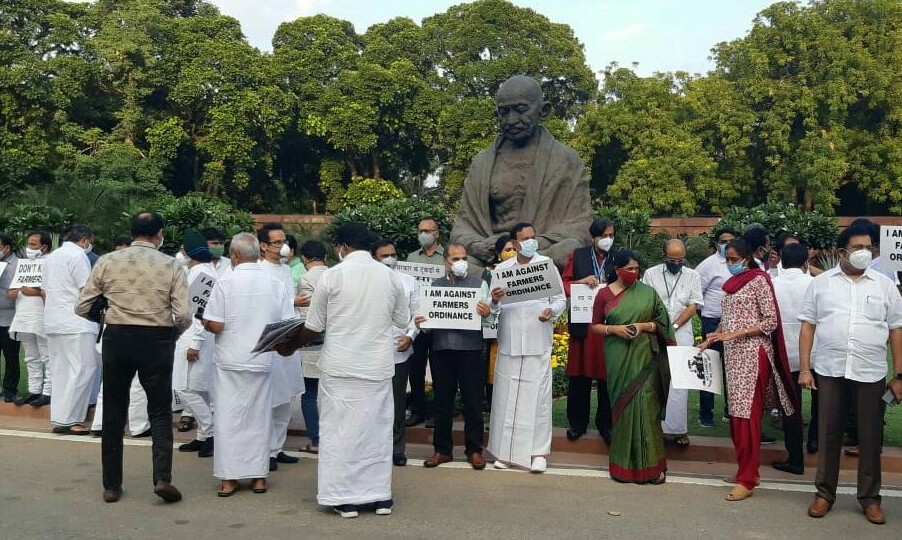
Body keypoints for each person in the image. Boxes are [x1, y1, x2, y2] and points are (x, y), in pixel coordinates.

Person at [276, 222, 410, 518]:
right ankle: (379, 498)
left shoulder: (332, 276)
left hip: (341, 368)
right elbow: (402, 318)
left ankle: (344, 498)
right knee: (375, 433)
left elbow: (313, 326)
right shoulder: (390, 277)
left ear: (343, 247)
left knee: (340, 433)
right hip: (376, 368)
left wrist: (288, 346)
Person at [76, 212, 191, 504]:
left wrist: (105, 314)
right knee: (160, 411)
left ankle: (111, 486)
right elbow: (184, 314)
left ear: (132, 233)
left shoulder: (108, 261)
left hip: (118, 337)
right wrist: (172, 333)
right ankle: (162, 478)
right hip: (157, 339)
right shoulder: (171, 264)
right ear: (159, 234)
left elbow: (81, 306)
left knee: (114, 411)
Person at [798, 221, 902, 525]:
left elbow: (896, 329)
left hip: (870, 373)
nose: (864, 253)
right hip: (830, 370)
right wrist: (805, 368)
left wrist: (899, 375)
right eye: (858, 248)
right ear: (841, 251)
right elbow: (807, 326)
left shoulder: (884, 285)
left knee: (870, 437)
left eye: (869, 247)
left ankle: (870, 498)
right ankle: (824, 494)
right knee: (828, 433)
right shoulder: (821, 284)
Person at [451, 74, 590, 268]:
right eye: (503, 112)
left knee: (569, 249)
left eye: (521, 110)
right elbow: (462, 227)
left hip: (540, 254)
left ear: (544, 110)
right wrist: (479, 245)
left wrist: (528, 245)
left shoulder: (566, 159)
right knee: (462, 264)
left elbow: (580, 226)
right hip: (493, 256)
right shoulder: (482, 162)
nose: (511, 120)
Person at [699, 238, 798, 502]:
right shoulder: (731, 285)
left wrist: (734, 334)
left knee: (747, 416)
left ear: (746, 257)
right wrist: (713, 337)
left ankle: (748, 478)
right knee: (736, 414)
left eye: (733, 260)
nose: (730, 264)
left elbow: (770, 320)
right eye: (727, 260)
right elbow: (726, 319)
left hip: (753, 354)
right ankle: (745, 468)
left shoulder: (759, 280)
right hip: (733, 355)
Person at [202, 232, 295, 497]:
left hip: (230, 359)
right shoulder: (275, 283)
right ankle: (258, 477)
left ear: (234, 255)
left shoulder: (225, 281)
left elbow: (217, 324)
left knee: (229, 419)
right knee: (258, 418)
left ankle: (229, 479)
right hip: (262, 358)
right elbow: (287, 324)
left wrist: (205, 322)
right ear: (258, 251)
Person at [588, 249, 674, 484]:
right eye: (629, 269)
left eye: (637, 269)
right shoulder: (603, 295)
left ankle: (653, 468)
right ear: (617, 270)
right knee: (624, 408)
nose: (634, 273)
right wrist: (613, 329)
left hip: (645, 356)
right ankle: (623, 468)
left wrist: (644, 326)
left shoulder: (647, 293)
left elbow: (663, 324)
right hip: (617, 355)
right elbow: (594, 326)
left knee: (647, 406)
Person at [487, 222, 566, 473]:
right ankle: (504, 452)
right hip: (510, 341)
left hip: (537, 340)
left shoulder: (546, 265)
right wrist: (495, 300)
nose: (532, 241)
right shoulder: (502, 269)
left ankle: (538, 453)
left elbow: (560, 300)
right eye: (526, 238)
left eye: (534, 237)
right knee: (506, 398)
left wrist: (550, 311)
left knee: (539, 399)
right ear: (516, 242)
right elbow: (492, 309)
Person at [416, 244, 492, 470]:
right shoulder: (434, 286)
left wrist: (487, 313)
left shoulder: (479, 285)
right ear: (445, 262)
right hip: (442, 350)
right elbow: (429, 323)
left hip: (471, 350)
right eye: (455, 258)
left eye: (464, 258)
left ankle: (475, 450)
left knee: (473, 402)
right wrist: (422, 323)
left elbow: (489, 320)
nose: (460, 262)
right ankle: (442, 450)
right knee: (442, 403)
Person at [641, 239, 703, 448]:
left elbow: (693, 306)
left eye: (680, 260)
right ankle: (654, 428)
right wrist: (661, 328)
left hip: (681, 334)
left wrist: (673, 327)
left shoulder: (693, 275)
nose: (676, 263)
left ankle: (677, 431)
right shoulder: (651, 274)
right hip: (655, 333)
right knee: (655, 380)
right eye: (671, 259)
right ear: (664, 255)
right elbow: (647, 301)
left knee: (680, 383)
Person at [562, 218, 615, 443]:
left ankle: (606, 424)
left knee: (607, 379)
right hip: (583, 325)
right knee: (579, 378)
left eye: (611, 235)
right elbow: (563, 285)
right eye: (603, 236)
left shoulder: (618, 257)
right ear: (593, 237)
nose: (608, 240)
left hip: (607, 325)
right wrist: (581, 282)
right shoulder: (578, 255)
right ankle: (577, 424)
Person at [257, 222, 304, 471]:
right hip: (271, 339)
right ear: (263, 246)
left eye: (284, 241)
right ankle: (265, 451)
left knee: (286, 397)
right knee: (270, 399)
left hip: (289, 335)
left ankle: (278, 447)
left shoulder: (286, 270)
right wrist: (291, 301)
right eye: (277, 242)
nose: (282, 246)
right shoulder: (258, 270)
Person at [43, 224, 99, 435]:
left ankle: (60, 418)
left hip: (54, 320)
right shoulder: (78, 257)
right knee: (84, 369)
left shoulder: (52, 257)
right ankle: (73, 419)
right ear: (84, 240)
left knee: (60, 370)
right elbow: (86, 290)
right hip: (77, 322)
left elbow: (46, 290)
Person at [372, 239, 419, 467]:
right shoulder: (367, 282)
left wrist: (411, 336)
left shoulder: (409, 281)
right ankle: (373, 449)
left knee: (397, 404)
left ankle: (397, 449)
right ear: (374, 258)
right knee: (372, 405)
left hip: (400, 351)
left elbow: (417, 314)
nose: (390, 258)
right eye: (384, 255)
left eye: (392, 254)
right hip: (370, 353)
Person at [174, 230, 217, 458]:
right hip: (191, 337)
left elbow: (201, 313)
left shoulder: (203, 276)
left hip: (193, 338)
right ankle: (202, 436)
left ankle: (210, 434)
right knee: (198, 389)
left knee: (184, 388)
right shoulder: (197, 272)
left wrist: (195, 344)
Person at [771, 243, 813, 474]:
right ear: (806, 262)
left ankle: (795, 458)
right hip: (815, 354)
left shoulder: (773, 284)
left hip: (785, 355)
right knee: (821, 406)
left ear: (780, 261)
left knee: (790, 408)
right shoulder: (815, 284)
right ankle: (815, 443)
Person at [695, 226, 738, 427]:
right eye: (723, 241)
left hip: (735, 324)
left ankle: (731, 411)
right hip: (712, 321)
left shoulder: (741, 262)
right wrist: (706, 317)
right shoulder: (707, 265)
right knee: (709, 367)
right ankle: (706, 413)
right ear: (716, 243)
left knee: (733, 368)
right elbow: (697, 295)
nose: (727, 244)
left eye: (731, 240)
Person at [405, 217, 444, 428]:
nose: (424, 234)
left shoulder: (446, 258)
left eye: (428, 230)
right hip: (417, 323)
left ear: (437, 233)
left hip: (440, 323)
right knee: (415, 369)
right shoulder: (411, 258)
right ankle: (417, 410)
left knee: (440, 370)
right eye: (421, 230)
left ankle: (437, 413)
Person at [9, 232, 51, 407]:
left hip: (42, 317)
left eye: (33, 244)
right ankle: (34, 390)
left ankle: (48, 391)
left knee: (46, 356)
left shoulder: (50, 264)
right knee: (30, 356)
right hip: (23, 317)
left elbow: (51, 292)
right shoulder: (23, 266)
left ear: (45, 247)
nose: (29, 248)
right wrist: (21, 290)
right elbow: (11, 293)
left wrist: (34, 291)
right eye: (28, 244)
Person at [295, 240, 327, 455]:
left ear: (304, 258)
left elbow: (308, 317)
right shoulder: (334, 274)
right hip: (335, 342)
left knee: (309, 395)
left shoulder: (306, 279)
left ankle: (316, 440)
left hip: (313, 344)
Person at [0, 234, 20, 402]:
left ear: (7, 247)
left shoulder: (19, 265)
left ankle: (9, 390)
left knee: (11, 356)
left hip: (11, 318)